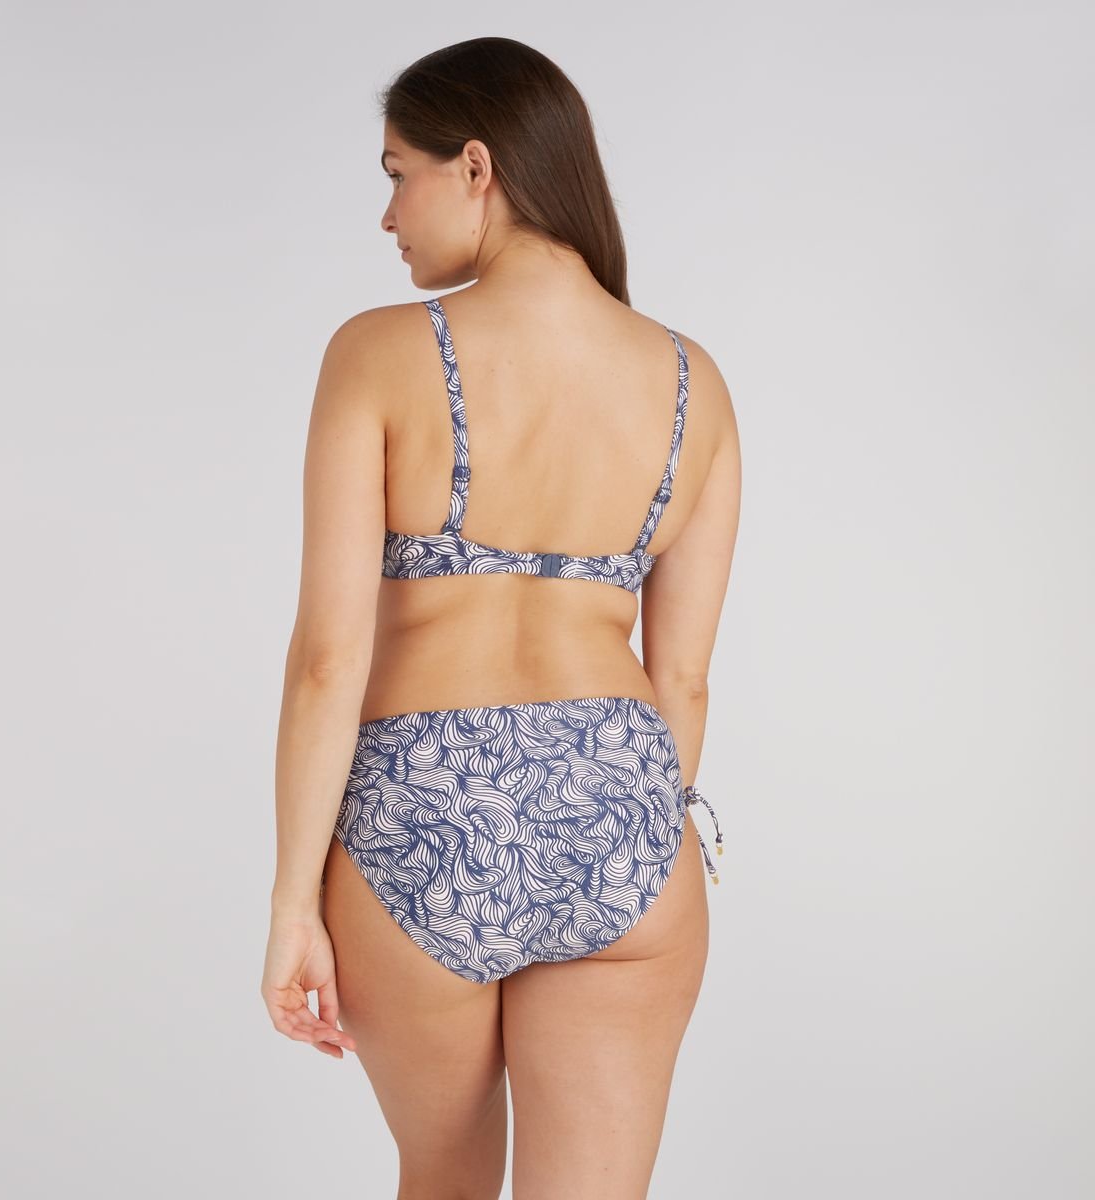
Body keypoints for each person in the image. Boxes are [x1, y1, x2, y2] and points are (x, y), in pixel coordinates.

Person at [261, 35, 741, 1200]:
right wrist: (621, 834)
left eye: (397, 174)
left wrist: (290, 902)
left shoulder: (379, 353)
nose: (388, 216)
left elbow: (329, 660)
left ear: (475, 166)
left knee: (444, 1178)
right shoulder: (693, 382)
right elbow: (682, 678)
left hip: (419, 816)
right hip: (619, 804)